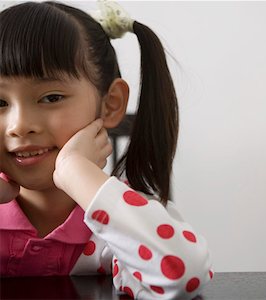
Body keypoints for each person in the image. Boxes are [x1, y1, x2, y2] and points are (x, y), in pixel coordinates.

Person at [0, 1, 213, 299]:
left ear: (111, 104)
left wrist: (76, 172)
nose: (19, 126)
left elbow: (182, 276)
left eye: (51, 98)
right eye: (0, 103)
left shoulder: (121, 218)